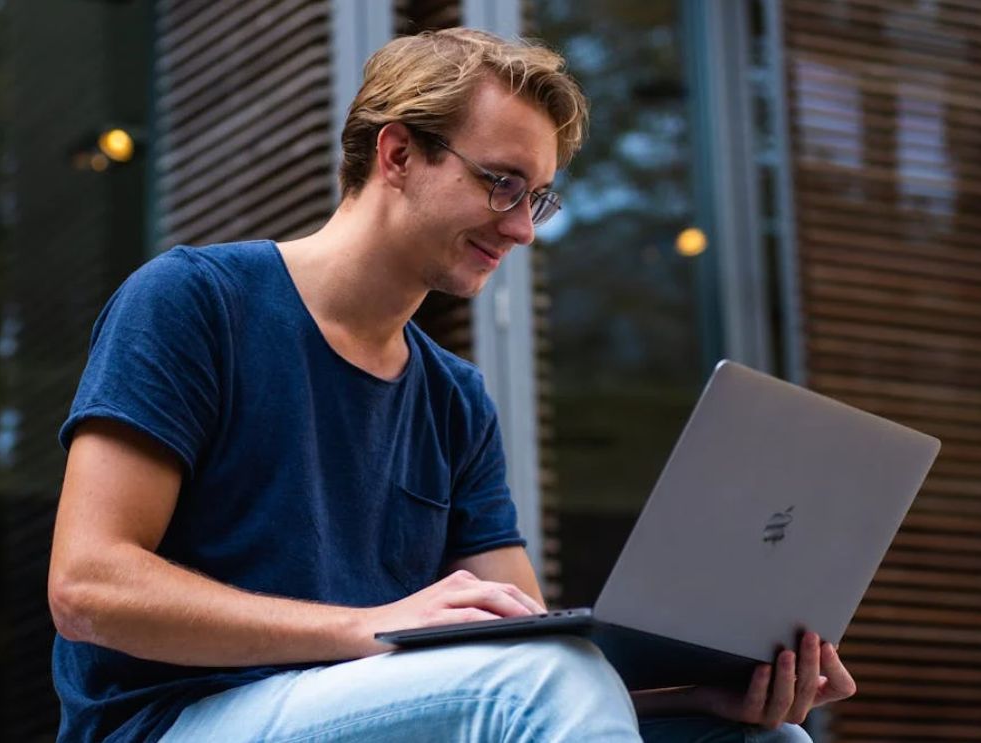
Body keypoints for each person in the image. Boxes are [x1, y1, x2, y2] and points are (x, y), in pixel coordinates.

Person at [47, 27, 856, 743]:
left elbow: (528, 650)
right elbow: (87, 586)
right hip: (171, 721)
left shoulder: (454, 398)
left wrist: (703, 692)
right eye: (501, 182)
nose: (522, 227)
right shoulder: (195, 301)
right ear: (396, 155)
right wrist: (368, 628)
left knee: (757, 739)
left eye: (536, 196)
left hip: (370, 707)